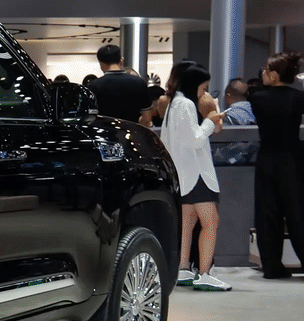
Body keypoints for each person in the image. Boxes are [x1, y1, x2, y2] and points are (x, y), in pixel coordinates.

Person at [161, 63, 230, 291]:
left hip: (182, 173)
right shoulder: (186, 105)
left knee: (188, 222)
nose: (204, 92)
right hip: (197, 172)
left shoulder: (174, 103)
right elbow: (195, 140)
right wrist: (210, 121)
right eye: (203, 87)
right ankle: (205, 273)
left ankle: (183, 268)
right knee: (211, 222)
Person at [249, 51, 304, 279]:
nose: (263, 72)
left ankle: (272, 266)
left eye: (266, 69)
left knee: (267, 214)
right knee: (297, 212)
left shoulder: (257, 98)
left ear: (273, 75)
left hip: (267, 159)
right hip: (293, 158)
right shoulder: (299, 97)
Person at [91, 44, 162, 124]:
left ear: (101, 63)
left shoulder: (94, 86)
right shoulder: (139, 83)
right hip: (132, 130)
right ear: (121, 61)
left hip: (106, 130)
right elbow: (147, 119)